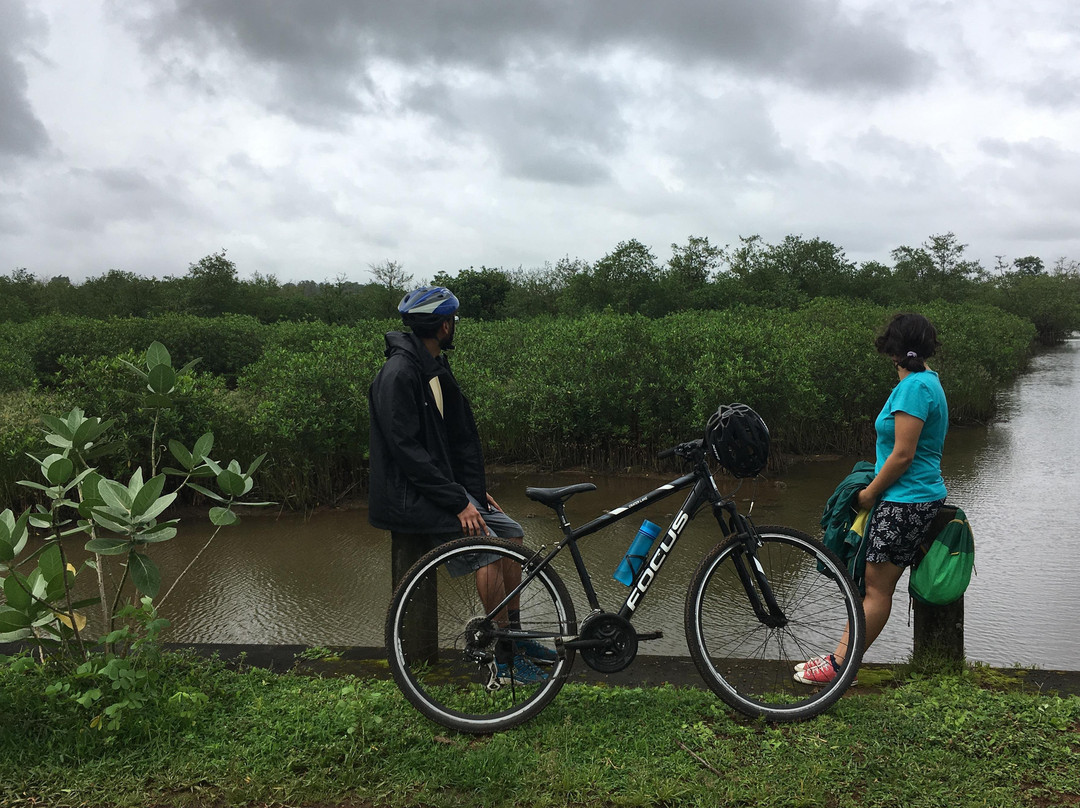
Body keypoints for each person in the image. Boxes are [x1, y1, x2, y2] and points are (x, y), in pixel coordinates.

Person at [368, 285, 553, 684]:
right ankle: (503, 658)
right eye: (451, 320)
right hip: (410, 495)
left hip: (437, 488)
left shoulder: (430, 365)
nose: (455, 326)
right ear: (441, 325)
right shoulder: (399, 373)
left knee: (513, 536)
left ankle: (516, 636)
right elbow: (408, 452)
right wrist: (458, 501)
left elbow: (447, 441)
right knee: (487, 546)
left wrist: (472, 490)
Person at [796, 312, 948, 685]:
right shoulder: (928, 381)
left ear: (892, 350)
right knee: (871, 583)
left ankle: (840, 665)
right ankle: (841, 658)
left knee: (877, 588)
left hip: (905, 500)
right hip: (908, 497)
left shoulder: (914, 387)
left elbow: (903, 455)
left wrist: (868, 493)